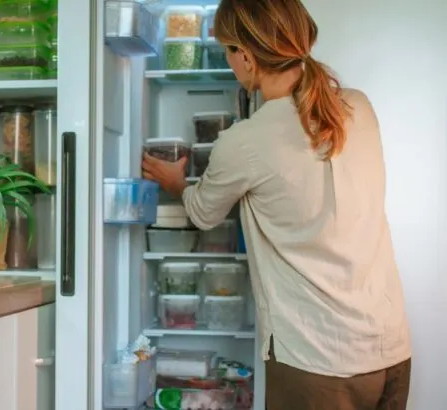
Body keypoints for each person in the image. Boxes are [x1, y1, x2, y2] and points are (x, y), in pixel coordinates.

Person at [141, 0, 412, 409]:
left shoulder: (245, 141)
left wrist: (177, 183)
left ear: (247, 57)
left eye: (227, 51)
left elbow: (201, 212)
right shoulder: (358, 106)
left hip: (317, 363)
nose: (229, 61)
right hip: (390, 349)